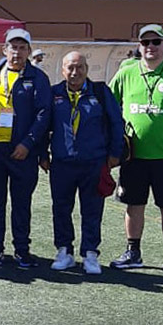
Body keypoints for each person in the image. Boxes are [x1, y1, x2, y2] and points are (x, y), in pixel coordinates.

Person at [108, 24, 163, 277]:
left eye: (155, 42)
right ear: (139, 47)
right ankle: (133, 253)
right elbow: (109, 106)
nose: (150, 47)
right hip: (134, 156)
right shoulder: (126, 73)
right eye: (145, 42)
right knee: (134, 205)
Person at [43, 52, 124, 274]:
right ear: (62, 70)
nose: (74, 72)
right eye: (70, 67)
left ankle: (90, 253)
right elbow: (43, 125)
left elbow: (117, 123)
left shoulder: (100, 92)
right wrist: (42, 154)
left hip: (94, 162)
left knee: (92, 210)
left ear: (87, 69)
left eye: (79, 67)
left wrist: (115, 153)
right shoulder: (54, 94)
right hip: (62, 163)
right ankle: (64, 251)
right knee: (61, 209)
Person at [0, 28, 52, 267]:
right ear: (4, 49)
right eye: (13, 47)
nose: (17, 52)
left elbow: (43, 114)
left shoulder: (38, 78)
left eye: (22, 48)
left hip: (23, 150)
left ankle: (22, 250)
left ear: (29, 51)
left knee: (21, 203)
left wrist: (28, 143)